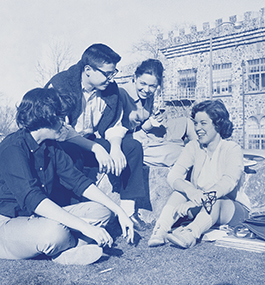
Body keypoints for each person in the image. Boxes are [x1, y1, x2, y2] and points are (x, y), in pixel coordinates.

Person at [0, 88, 134, 265]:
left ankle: (63, 250)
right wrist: (86, 228)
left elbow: (78, 181)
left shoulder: (51, 145)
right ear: (45, 118)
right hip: (9, 222)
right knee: (55, 232)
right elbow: (33, 199)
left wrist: (119, 211)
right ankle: (73, 244)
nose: (64, 124)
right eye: (60, 118)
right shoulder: (13, 148)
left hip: (40, 217)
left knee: (102, 211)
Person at [45, 43, 147, 231]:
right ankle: (73, 213)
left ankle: (128, 211)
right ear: (88, 70)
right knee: (71, 154)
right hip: (60, 143)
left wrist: (115, 148)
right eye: (107, 73)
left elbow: (114, 126)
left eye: (113, 72)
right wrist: (97, 148)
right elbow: (60, 131)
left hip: (89, 141)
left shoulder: (111, 89)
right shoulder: (61, 85)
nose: (111, 78)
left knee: (132, 147)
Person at [148, 99, 250, 248]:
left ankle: (190, 234)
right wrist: (190, 191)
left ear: (217, 124)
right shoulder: (193, 147)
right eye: (195, 123)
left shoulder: (232, 148)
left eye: (203, 123)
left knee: (214, 201)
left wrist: (200, 198)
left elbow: (228, 182)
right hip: (201, 204)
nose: (197, 128)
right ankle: (161, 230)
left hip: (231, 208)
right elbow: (174, 176)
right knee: (179, 191)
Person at [119, 58, 197, 167]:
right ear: (135, 78)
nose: (146, 90)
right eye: (143, 83)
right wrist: (144, 129)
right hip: (133, 142)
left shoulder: (149, 95)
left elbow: (148, 117)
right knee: (181, 153)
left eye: (152, 86)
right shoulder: (121, 94)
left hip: (149, 132)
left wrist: (154, 120)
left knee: (186, 123)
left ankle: (204, 152)